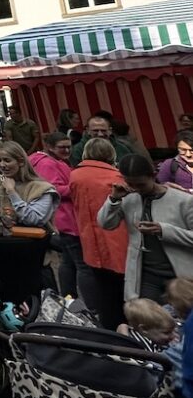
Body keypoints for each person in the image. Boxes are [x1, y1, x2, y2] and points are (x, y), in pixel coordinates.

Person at [99, 154, 193, 301]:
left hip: (181, 274)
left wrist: (163, 230)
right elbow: (106, 223)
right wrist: (114, 199)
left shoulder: (183, 201)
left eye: (141, 185)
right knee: (149, 320)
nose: (136, 189)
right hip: (145, 275)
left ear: (153, 175)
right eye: (131, 184)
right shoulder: (128, 198)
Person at [69, 138, 130, 329]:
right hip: (118, 239)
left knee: (103, 289)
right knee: (124, 291)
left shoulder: (76, 176)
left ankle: (108, 329)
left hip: (90, 239)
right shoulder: (118, 178)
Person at [29, 132, 83, 296]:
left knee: (68, 261)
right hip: (63, 216)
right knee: (79, 263)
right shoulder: (47, 164)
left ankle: (68, 297)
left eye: (68, 147)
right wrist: (77, 187)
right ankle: (75, 299)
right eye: (62, 147)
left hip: (62, 216)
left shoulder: (52, 161)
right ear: (50, 147)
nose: (67, 150)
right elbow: (52, 189)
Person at [0, 142, 59, 228]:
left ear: (21, 162)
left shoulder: (42, 189)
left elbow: (34, 220)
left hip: (32, 239)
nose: (2, 165)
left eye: (7, 160)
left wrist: (11, 192)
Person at [69, 113, 142, 166]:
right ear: (88, 130)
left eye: (103, 130)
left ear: (110, 130)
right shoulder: (78, 150)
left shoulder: (122, 148)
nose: (100, 134)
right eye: (95, 131)